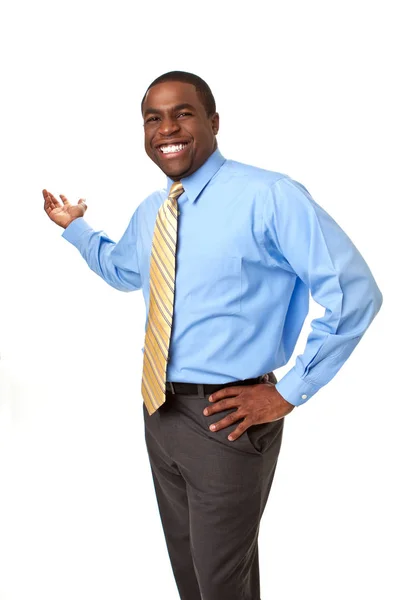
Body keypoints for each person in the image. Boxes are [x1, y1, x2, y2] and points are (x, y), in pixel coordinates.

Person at [42, 71, 383, 600]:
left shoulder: (270, 195)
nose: (166, 129)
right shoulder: (156, 210)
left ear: (213, 122)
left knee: (221, 585)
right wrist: (75, 228)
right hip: (160, 411)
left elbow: (355, 292)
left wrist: (289, 391)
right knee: (195, 580)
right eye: (153, 118)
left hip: (227, 419)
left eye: (182, 113)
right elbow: (123, 270)